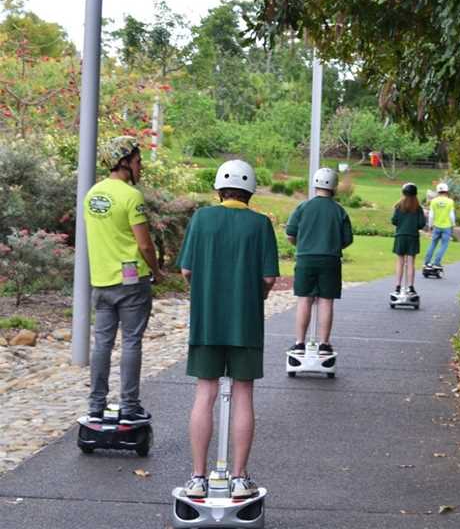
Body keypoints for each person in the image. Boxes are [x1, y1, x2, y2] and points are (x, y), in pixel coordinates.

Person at [177, 159, 279, 498]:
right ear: (250, 191)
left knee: (204, 394)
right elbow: (268, 278)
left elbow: (187, 271)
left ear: (219, 189)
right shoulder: (260, 225)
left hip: (207, 321)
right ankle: (238, 478)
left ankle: (196, 478)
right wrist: (256, 296)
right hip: (246, 323)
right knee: (243, 395)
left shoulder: (202, 219)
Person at [83, 135, 164, 425]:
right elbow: (144, 245)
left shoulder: (92, 195)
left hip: (101, 282)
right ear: (124, 162)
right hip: (131, 283)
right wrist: (157, 270)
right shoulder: (131, 196)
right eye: (138, 161)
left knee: (102, 343)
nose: (141, 166)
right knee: (131, 342)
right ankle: (129, 406)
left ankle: (96, 404)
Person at [284, 167, 353, 355]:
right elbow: (347, 240)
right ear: (334, 187)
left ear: (315, 184)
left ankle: (299, 343)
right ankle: (324, 344)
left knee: (304, 300)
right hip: (330, 260)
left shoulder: (303, 207)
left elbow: (290, 234)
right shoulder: (340, 211)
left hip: (305, 259)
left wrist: (302, 245)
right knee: (326, 301)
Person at [391, 182, 426, 295]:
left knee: (400, 262)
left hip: (400, 236)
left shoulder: (398, 206)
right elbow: (421, 224)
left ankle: (397, 286)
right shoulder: (418, 208)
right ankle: (410, 286)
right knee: (410, 262)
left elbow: (394, 221)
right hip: (413, 237)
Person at [423, 182, 456, 269]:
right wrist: (453, 225)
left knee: (433, 244)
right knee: (443, 245)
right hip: (447, 227)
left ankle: (427, 262)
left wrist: (430, 226)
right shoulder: (450, 201)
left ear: (438, 191)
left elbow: (431, 215)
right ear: (447, 191)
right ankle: (436, 263)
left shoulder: (433, 201)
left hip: (436, 226)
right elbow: (451, 215)